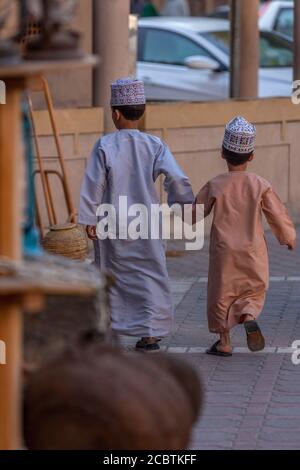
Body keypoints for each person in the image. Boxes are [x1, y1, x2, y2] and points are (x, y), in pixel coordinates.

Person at [79, 78, 194, 352]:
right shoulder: (155, 145)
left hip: (112, 221)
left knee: (111, 274)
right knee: (150, 274)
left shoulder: (104, 145)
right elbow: (176, 177)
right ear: (142, 112)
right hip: (147, 221)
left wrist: (89, 218)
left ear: (115, 113)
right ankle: (150, 335)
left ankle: (111, 329)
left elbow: (93, 183)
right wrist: (182, 201)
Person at [193, 116, 296, 357]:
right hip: (253, 250)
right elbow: (277, 214)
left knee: (222, 293)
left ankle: (224, 341)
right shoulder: (260, 184)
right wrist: (288, 237)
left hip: (224, 252)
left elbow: (195, 213)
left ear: (222, 153)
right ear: (251, 156)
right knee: (252, 290)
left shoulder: (216, 184)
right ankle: (249, 315)